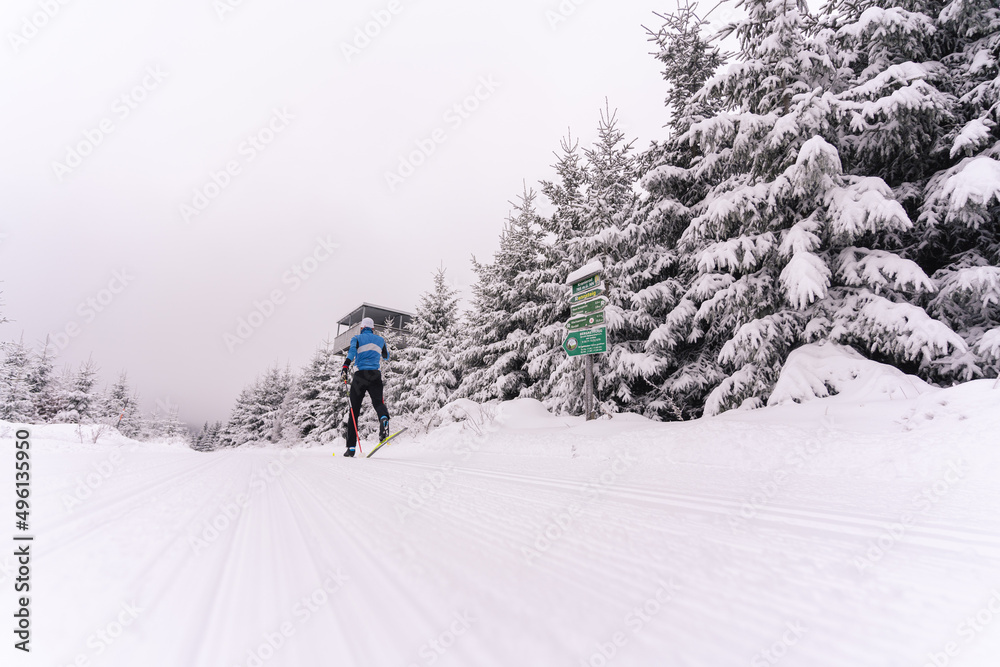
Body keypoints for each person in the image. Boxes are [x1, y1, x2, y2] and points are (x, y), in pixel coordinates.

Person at [340, 317, 391, 457]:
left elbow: (351, 353)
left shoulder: (356, 338)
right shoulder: (380, 340)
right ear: (373, 329)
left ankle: (351, 448)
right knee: (378, 403)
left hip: (360, 376)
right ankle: (383, 418)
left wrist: (345, 366)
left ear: (362, 328)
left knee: (354, 410)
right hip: (375, 375)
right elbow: (386, 356)